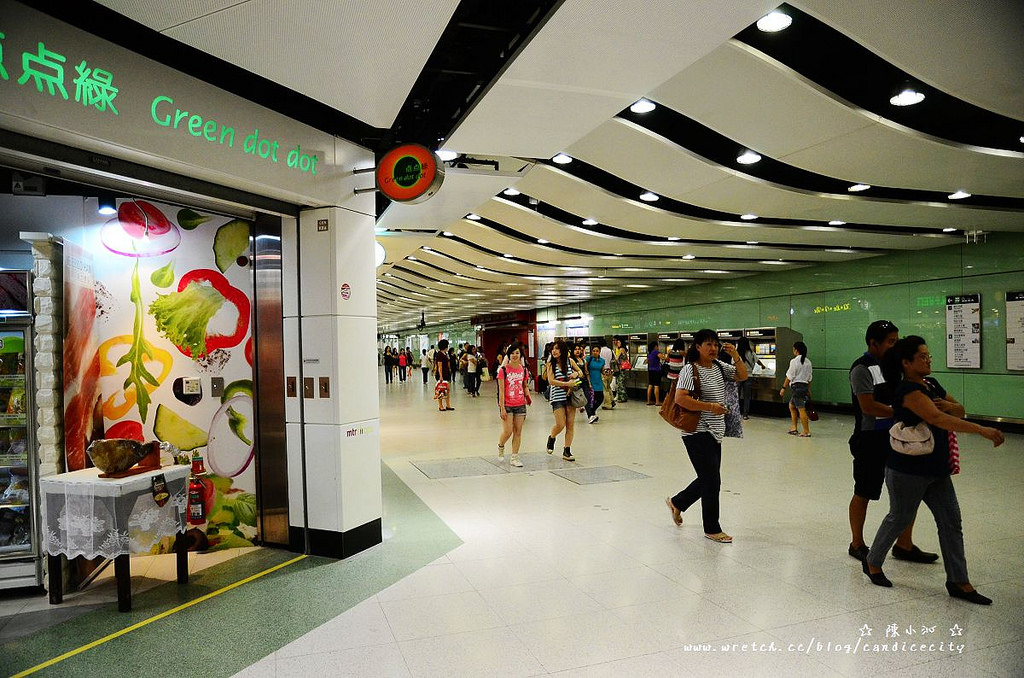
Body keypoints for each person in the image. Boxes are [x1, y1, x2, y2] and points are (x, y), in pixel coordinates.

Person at [863, 336, 1004, 604]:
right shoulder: (908, 391)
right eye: (922, 357)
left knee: (951, 522)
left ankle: (959, 581)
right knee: (899, 517)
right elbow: (937, 417)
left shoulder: (931, 384)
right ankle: (872, 561)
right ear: (906, 362)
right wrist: (981, 429)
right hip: (907, 469)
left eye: (929, 356)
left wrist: (953, 406)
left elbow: (957, 410)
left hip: (937, 468)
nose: (928, 360)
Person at [847, 320, 935, 563]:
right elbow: (868, 406)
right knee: (864, 490)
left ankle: (904, 544)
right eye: (891, 342)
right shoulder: (861, 368)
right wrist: (903, 410)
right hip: (870, 438)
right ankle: (857, 543)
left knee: (908, 490)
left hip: (899, 436)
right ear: (873, 343)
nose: (895, 347)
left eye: (897, 341)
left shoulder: (896, 367)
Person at [665, 330, 747, 542]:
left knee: (708, 478)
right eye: (708, 344)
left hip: (716, 431)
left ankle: (677, 502)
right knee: (712, 480)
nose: (713, 348)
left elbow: (742, 375)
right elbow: (681, 398)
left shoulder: (720, 366)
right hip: (696, 431)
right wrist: (710, 407)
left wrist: (736, 356)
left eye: (715, 344)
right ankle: (712, 528)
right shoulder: (690, 370)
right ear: (698, 347)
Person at [545, 339, 584, 461]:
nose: (554, 351)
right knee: (560, 424)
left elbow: (581, 372)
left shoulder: (570, 361)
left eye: (557, 348)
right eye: (553, 349)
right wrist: (567, 383)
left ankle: (567, 450)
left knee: (570, 424)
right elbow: (551, 381)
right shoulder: (550, 364)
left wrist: (576, 374)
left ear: (562, 350)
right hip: (557, 397)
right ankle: (552, 437)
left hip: (570, 396)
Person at [497, 342, 531, 468]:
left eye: (517, 353)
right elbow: (501, 391)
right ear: (508, 355)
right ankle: (501, 445)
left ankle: (514, 457)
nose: (515, 355)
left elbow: (525, 385)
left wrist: (527, 396)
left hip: (520, 404)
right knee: (508, 431)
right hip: (507, 404)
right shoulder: (503, 370)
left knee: (518, 431)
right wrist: (502, 408)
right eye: (512, 353)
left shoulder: (524, 370)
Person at [780, 341, 812, 437]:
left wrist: (783, 388)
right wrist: (808, 390)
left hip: (797, 387)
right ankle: (794, 428)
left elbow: (789, 376)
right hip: (804, 386)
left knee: (801, 409)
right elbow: (810, 378)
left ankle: (806, 431)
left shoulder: (794, 361)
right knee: (791, 406)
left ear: (796, 350)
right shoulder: (808, 362)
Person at [736, 338, 764, 420]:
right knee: (747, 396)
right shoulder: (751, 353)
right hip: (749, 377)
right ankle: (745, 414)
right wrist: (764, 367)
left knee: (736, 396)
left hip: (739, 377)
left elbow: (733, 364)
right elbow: (758, 361)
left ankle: (737, 412)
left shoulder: (736, 353)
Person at [584, 345, 605, 423]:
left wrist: (606, 372)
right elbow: (586, 371)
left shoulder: (602, 361)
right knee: (592, 398)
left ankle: (592, 411)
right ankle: (592, 414)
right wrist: (589, 382)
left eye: (597, 351)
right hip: (591, 380)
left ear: (599, 352)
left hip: (598, 381)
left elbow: (602, 370)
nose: (595, 352)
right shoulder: (589, 359)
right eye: (593, 351)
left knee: (600, 398)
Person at [433, 339, 453, 411]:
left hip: (446, 373)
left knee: (447, 390)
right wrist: (441, 376)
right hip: (441, 374)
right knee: (441, 390)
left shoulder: (445, 354)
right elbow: (439, 366)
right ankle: (440, 406)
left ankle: (448, 405)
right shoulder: (439, 354)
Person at [598, 338, 615, 410]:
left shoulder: (600, 351)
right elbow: (614, 360)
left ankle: (608, 404)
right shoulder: (610, 350)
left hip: (603, 371)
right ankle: (612, 400)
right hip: (610, 371)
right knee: (608, 387)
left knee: (604, 389)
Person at [646, 340, 664, 405]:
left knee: (650, 385)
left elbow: (647, 361)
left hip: (650, 370)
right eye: (657, 346)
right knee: (656, 386)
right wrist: (666, 356)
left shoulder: (649, 353)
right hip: (656, 370)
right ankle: (657, 401)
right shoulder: (656, 352)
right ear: (655, 346)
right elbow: (662, 357)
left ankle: (648, 401)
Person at [613, 337, 629, 403]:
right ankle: (623, 397)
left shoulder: (621, 349)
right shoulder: (623, 349)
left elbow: (616, 358)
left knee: (620, 383)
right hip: (622, 368)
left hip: (621, 368)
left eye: (618, 342)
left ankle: (622, 397)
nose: (617, 343)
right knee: (621, 383)